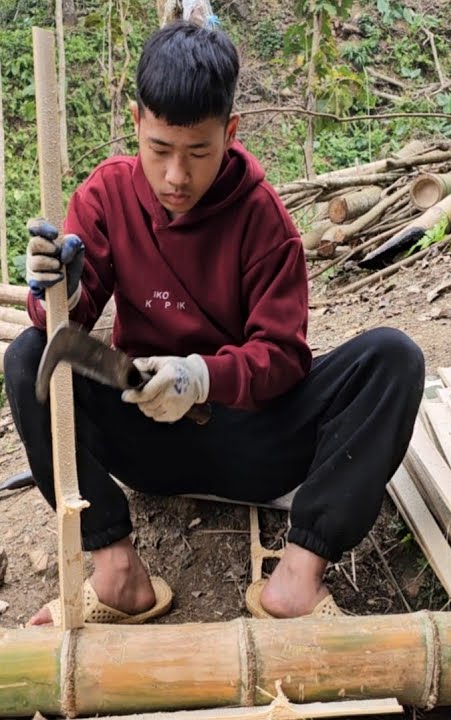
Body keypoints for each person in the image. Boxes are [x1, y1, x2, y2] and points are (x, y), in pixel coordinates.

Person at [8, 20, 425, 626]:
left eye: (198, 152)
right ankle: (118, 570)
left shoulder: (263, 219)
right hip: (145, 438)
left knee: (394, 358)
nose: (177, 176)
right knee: (26, 356)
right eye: (160, 150)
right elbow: (61, 327)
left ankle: (298, 577)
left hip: (253, 441)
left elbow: (283, 357)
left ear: (230, 133)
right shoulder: (104, 198)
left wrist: (200, 377)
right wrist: (57, 289)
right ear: (136, 124)